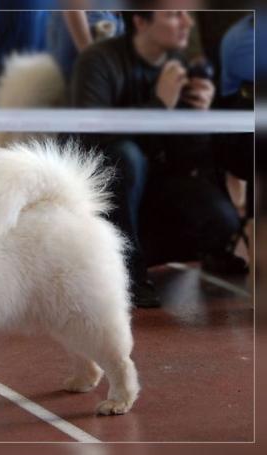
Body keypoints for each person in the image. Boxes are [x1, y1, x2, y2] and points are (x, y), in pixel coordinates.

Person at [70, 11, 247, 308]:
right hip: (102, 201)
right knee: (125, 157)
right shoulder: (98, 61)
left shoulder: (176, 63)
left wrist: (200, 116)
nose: (187, 23)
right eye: (173, 15)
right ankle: (125, 273)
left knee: (222, 224)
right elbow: (87, 143)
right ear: (141, 21)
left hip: (156, 188)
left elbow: (188, 154)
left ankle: (207, 250)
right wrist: (158, 105)